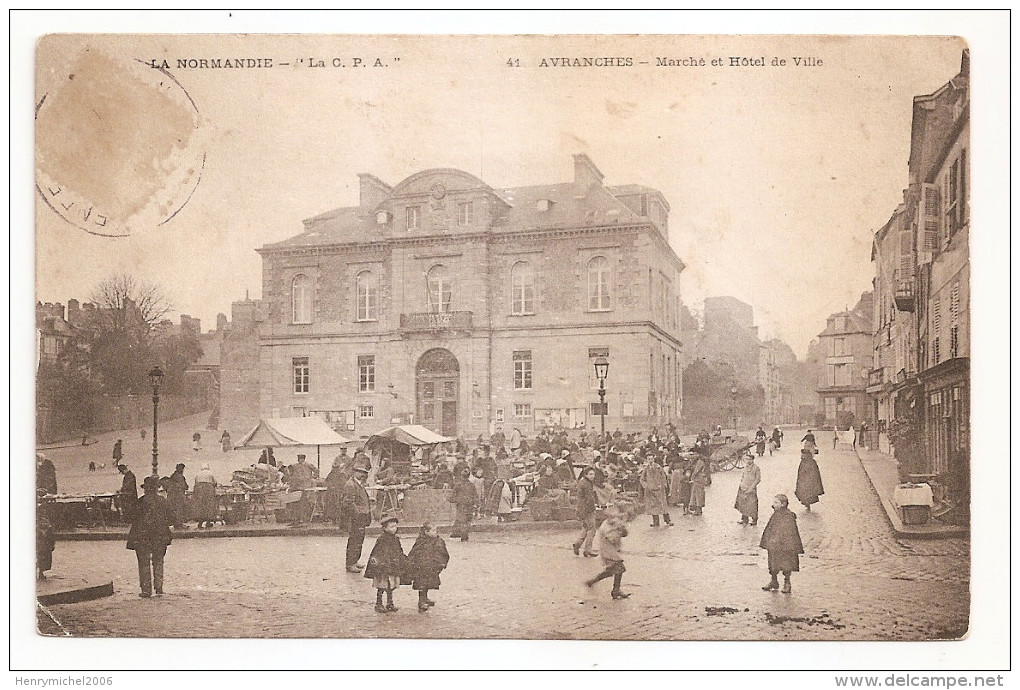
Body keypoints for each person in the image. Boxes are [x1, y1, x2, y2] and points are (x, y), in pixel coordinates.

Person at [126, 476, 174, 598]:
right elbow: (171, 519)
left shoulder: (140, 502)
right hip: (160, 536)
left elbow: (131, 517)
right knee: (158, 561)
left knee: (143, 562)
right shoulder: (163, 501)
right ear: (157, 488)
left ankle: (146, 589)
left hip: (142, 536)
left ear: (145, 489)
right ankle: (159, 588)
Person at [760, 494, 804, 594]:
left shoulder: (788, 516)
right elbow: (770, 528)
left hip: (785, 546)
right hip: (774, 545)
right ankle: (774, 581)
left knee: (786, 564)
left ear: (783, 504)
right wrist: (768, 540)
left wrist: (782, 541)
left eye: (776, 502)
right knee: (773, 563)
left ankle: (787, 583)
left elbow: (790, 532)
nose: (773, 504)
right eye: (773, 502)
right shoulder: (775, 514)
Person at [584, 507, 631, 599]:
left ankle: (594, 581)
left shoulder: (612, 524)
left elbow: (624, 534)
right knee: (619, 568)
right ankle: (615, 590)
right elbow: (613, 539)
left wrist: (622, 529)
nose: (615, 519)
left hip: (611, 551)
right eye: (613, 517)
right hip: (608, 552)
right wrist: (618, 530)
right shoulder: (606, 527)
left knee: (611, 571)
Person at [364, 513, 405, 613]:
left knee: (391, 586)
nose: (394, 528)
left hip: (393, 566)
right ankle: (378, 603)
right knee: (382, 586)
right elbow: (377, 553)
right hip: (383, 568)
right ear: (385, 528)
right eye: (391, 527)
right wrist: (379, 565)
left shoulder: (395, 539)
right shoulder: (382, 539)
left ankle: (389, 603)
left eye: (395, 526)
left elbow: (399, 551)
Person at [406, 522, 450, 612]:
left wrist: (443, 562)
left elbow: (443, 552)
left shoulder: (439, 541)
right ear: (426, 532)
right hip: (421, 567)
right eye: (433, 531)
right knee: (422, 584)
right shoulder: (421, 541)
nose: (435, 533)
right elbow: (414, 552)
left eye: (435, 531)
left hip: (432, 567)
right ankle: (421, 601)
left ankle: (425, 598)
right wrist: (411, 563)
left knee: (429, 583)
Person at [341, 465, 372, 572]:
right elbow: (348, 502)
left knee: (359, 540)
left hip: (361, 517)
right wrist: (357, 513)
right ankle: (350, 564)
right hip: (356, 518)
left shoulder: (358, 484)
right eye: (360, 472)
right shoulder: (351, 484)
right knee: (354, 541)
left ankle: (354, 561)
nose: (363, 474)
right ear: (354, 472)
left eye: (364, 472)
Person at [572, 468, 599, 556]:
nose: (592, 476)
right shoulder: (587, 484)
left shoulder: (582, 482)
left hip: (581, 509)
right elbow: (589, 498)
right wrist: (594, 506)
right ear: (586, 474)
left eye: (593, 474)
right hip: (587, 509)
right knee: (592, 529)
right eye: (590, 474)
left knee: (585, 527)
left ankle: (577, 544)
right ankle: (588, 550)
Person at [449, 468, 478, 541]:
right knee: (468, 520)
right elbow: (475, 496)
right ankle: (464, 535)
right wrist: (476, 504)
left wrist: (453, 500)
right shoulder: (471, 485)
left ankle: (462, 535)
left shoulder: (458, 485)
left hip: (461, 505)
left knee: (462, 519)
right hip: (469, 505)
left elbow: (453, 495)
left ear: (461, 476)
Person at [734, 453, 761, 525]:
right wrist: (741, 483)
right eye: (747, 459)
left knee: (752, 504)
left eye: (750, 459)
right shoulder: (745, 467)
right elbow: (743, 476)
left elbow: (758, 479)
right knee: (743, 503)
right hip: (743, 487)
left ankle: (754, 519)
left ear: (752, 460)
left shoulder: (756, 468)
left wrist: (752, 487)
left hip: (751, 489)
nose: (748, 461)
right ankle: (744, 519)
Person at [288, 454, 315, 525]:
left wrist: (311, 478)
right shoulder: (295, 466)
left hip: (304, 487)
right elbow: (290, 471)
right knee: (297, 504)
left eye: (301, 459)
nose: (300, 461)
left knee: (302, 504)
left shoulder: (308, 465)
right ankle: (298, 519)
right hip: (299, 487)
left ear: (303, 459)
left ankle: (301, 519)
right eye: (299, 459)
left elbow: (316, 471)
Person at [193, 463, 218, 528]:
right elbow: (215, 482)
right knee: (209, 505)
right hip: (208, 489)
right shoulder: (210, 473)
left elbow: (195, 483)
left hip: (199, 490)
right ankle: (208, 522)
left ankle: (200, 523)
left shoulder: (198, 474)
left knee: (200, 506)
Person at [165, 463, 189, 529]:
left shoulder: (173, 476)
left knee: (175, 510)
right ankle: (179, 524)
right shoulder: (180, 476)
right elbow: (184, 486)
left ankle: (177, 524)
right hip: (178, 496)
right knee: (179, 510)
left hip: (172, 496)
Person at [324, 458, 347, 524]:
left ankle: (339, 519)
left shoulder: (342, 475)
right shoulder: (330, 474)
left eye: (336, 468)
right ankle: (332, 519)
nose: (335, 469)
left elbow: (343, 483)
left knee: (339, 506)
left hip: (338, 493)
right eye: (334, 468)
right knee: (331, 506)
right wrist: (331, 486)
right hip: (331, 493)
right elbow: (326, 482)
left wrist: (339, 489)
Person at [37, 506, 55, 580]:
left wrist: (52, 545)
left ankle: (40, 573)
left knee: (44, 560)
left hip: (45, 546)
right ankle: (40, 573)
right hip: (40, 546)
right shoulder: (38, 528)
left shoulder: (49, 529)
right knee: (40, 559)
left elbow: (52, 538)